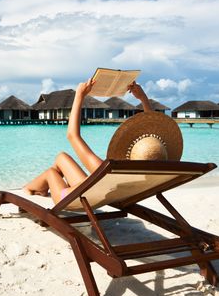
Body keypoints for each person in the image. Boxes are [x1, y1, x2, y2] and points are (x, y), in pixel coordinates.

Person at [23, 78, 163, 204]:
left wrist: (79, 95)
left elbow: (72, 135)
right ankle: (38, 190)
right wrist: (143, 99)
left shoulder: (108, 170)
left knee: (51, 173)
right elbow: (151, 137)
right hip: (94, 193)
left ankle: (28, 189)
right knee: (62, 157)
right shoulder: (145, 177)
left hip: (70, 198)